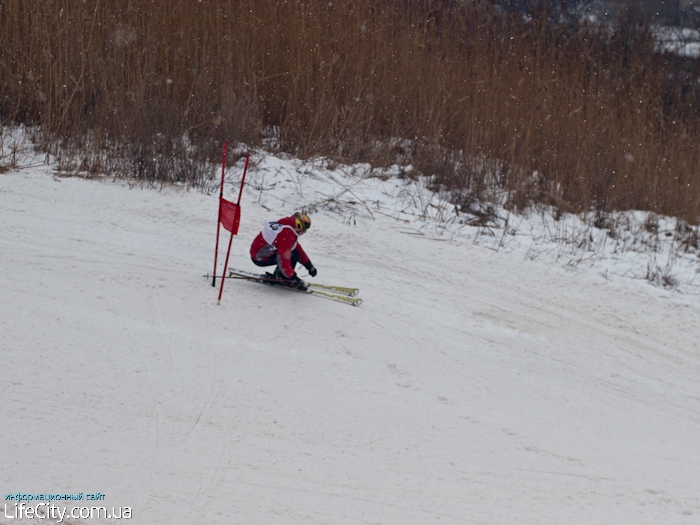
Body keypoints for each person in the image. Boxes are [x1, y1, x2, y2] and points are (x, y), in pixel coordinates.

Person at [249, 212, 317, 290]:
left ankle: (281, 275)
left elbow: (296, 247)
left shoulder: (288, 225)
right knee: (293, 255)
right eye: (305, 230)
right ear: (299, 226)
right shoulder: (287, 234)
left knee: (294, 252)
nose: (304, 233)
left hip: (259, 252)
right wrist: (292, 277)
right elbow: (283, 260)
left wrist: (309, 265)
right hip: (259, 257)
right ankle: (283, 278)